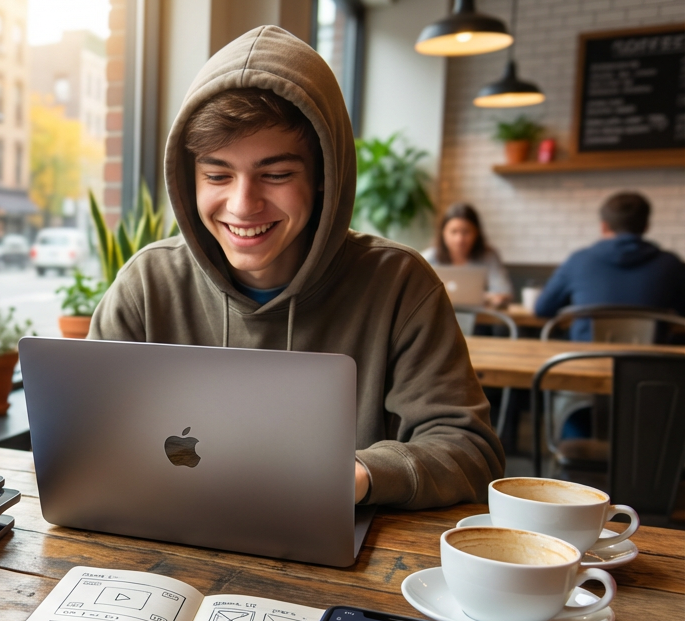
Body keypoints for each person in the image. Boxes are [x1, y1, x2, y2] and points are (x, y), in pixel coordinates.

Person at [89, 26, 503, 509]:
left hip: (340, 545)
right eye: (217, 175)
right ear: (190, 178)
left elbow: (469, 450)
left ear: (324, 175)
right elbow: (89, 434)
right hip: (164, 535)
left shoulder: (400, 285)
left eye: (277, 174)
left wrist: (363, 474)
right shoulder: (146, 285)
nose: (243, 205)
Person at [534, 191, 685, 341]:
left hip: (583, 355)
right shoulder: (671, 264)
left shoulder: (578, 260)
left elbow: (543, 309)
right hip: (650, 356)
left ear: (604, 226)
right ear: (646, 226)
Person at [424, 203, 513, 308]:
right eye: (453, 232)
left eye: (466, 232)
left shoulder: (488, 256)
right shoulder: (429, 258)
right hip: (440, 314)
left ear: (476, 233)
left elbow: (503, 292)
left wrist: (483, 297)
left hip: (479, 316)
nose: (459, 239)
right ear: (443, 233)